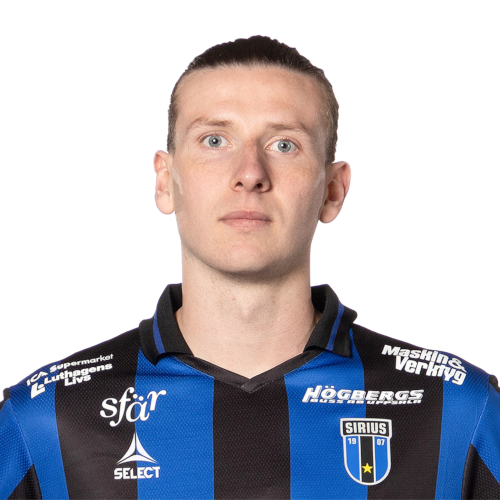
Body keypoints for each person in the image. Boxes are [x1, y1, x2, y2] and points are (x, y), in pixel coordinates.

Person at [1, 35, 498, 500]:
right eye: (214, 140)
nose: (250, 174)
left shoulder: (458, 409)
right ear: (165, 182)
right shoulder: (42, 418)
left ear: (333, 190)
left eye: (284, 144)